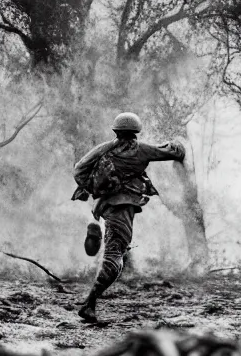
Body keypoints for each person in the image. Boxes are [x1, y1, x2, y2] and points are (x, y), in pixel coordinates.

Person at [71, 112, 185, 323]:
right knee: (115, 258)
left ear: (116, 131)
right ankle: (89, 304)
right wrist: (178, 146)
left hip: (106, 205)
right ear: (136, 131)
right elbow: (170, 152)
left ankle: (95, 226)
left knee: (117, 251)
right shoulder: (140, 149)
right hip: (122, 208)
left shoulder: (105, 148)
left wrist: (92, 187)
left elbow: (79, 169)